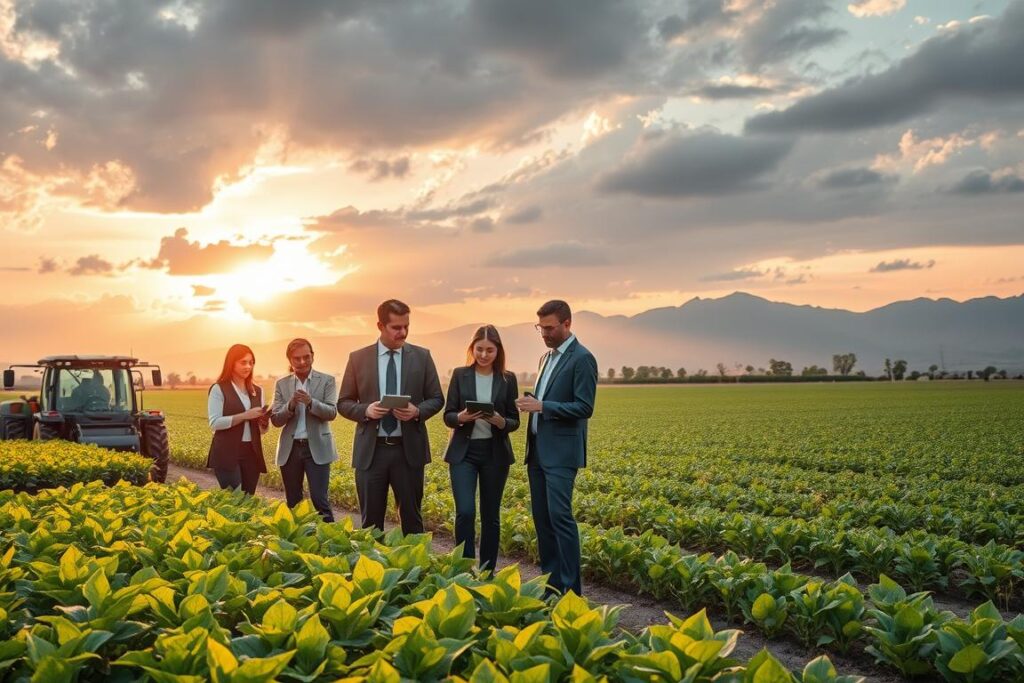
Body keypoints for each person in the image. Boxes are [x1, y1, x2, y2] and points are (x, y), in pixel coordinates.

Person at [338, 299, 444, 534]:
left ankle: (415, 570)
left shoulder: (422, 357)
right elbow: (343, 403)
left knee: (413, 523)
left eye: (406, 326)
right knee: (371, 526)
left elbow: (437, 398)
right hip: (371, 452)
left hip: (408, 453)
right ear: (380, 325)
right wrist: (366, 410)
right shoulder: (358, 358)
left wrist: (417, 411)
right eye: (396, 327)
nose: (403, 332)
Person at [515, 300, 597, 596]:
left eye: (549, 328)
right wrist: (532, 403)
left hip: (561, 454)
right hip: (537, 450)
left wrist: (542, 405)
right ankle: (551, 587)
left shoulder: (582, 358)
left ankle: (571, 592)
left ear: (567, 324)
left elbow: (584, 406)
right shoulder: (545, 358)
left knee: (560, 518)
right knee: (542, 518)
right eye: (541, 328)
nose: (544, 333)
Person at [443, 325, 519, 571]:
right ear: (472, 349)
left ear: (498, 351)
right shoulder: (460, 374)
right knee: (465, 511)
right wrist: (462, 418)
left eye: (489, 350)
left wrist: (500, 421)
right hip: (464, 453)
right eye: (479, 349)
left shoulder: (508, 379)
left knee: (490, 516)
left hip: (494, 454)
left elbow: (514, 420)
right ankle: (464, 569)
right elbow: (448, 415)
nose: (484, 355)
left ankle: (487, 572)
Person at [271, 338, 339, 522]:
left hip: (317, 446)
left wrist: (311, 403)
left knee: (319, 500)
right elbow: (276, 419)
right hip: (290, 448)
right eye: (296, 358)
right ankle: (299, 542)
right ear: (289, 360)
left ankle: (330, 541)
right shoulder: (282, 384)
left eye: (306, 357)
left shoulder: (327, 381)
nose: (302, 362)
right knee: (293, 501)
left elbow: (332, 412)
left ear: (313, 356)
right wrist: (291, 405)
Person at [207, 344, 269, 494]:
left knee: (248, 500)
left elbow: (262, 431)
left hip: (251, 452)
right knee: (233, 499)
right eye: (243, 362)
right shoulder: (218, 389)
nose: (248, 366)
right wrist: (245, 416)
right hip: (226, 452)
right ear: (231, 363)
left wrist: (264, 423)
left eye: (251, 362)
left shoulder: (258, 391)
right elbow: (215, 423)